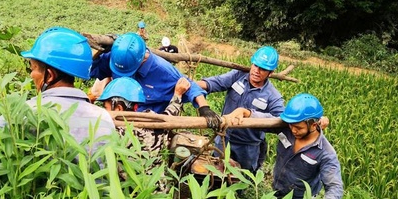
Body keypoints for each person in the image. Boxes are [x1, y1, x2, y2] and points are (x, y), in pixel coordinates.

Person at [0, 27, 116, 159]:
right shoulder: (102, 117)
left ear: (49, 76)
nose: (31, 75)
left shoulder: (23, 112)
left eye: (33, 69)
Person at [90, 32, 222, 130]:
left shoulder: (163, 70)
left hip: (150, 128)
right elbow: (91, 70)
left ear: (141, 60)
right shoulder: (117, 57)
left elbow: (189, 85)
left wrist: (204, 107)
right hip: (118, 123)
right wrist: (98, 51)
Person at [196, 46, 284, 172]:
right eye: (255, 65)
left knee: (241, 178)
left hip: (247, 147)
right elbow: (216, 82)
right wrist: (194, 85)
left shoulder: (272, 96)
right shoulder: (238, 76)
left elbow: (281, 121)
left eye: (263, 69)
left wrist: (249, 114)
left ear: (271, 73)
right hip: (223, 138)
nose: (256, 71)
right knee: (217, 173)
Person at [272, 93, 343, 199]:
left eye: (298, 128)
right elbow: (265, 119)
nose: (293, 130)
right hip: (275, 190)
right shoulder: (289, 127)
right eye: (291, 125)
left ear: (314, 125)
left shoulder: (325, 153)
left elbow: (334, 187)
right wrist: (246, 113)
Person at [98, 76, 190, 155]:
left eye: (106, 107)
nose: (104, 111)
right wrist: (177, 95)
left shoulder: (112, 133)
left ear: (119, 108)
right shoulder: (153, 122)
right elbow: (169, 115)